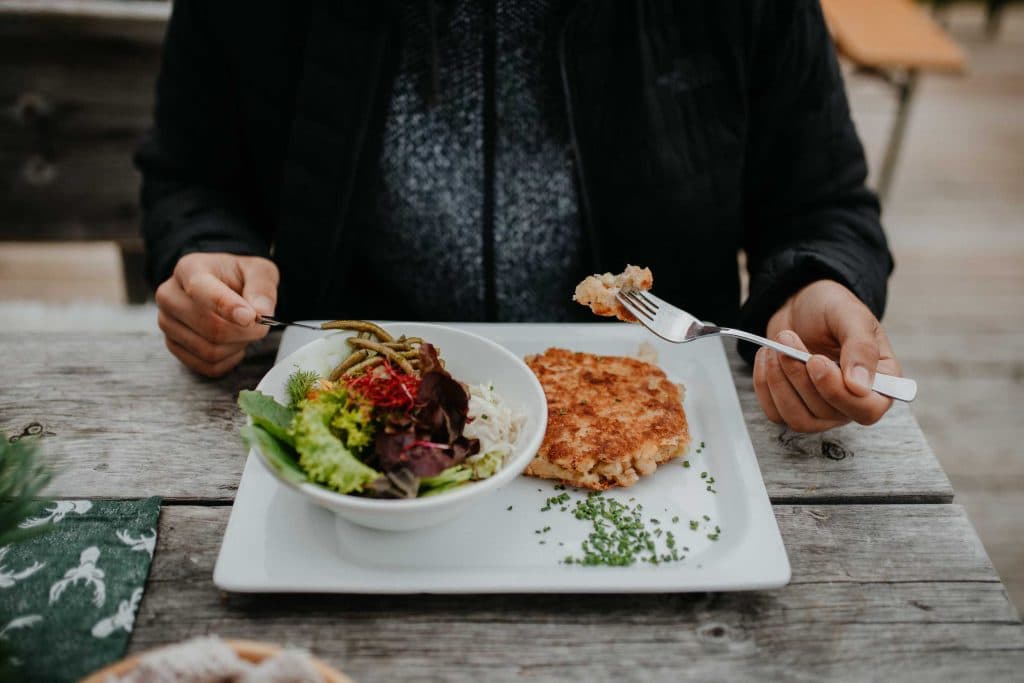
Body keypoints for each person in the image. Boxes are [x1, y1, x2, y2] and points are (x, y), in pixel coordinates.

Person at [136, 0, 902, 433]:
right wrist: (211, 254)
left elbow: (823, 203)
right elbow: (191, 176)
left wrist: (813, 286)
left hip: (661, 412)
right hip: (357, 411)